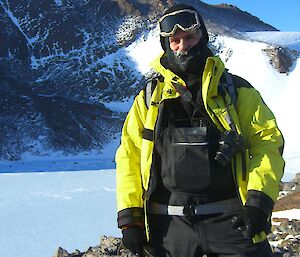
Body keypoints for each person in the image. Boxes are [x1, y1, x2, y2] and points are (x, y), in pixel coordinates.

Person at [115, 4, 285, 257]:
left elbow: (267, 142)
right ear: (166, 45)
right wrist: (131, 219)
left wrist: (259, 203)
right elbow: (130, 154)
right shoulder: (150, 98)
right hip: (168, 226)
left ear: (202, 37)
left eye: (190, 37)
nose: (183, 46)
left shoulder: (236, 91)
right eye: (175, 40)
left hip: (231, 220)